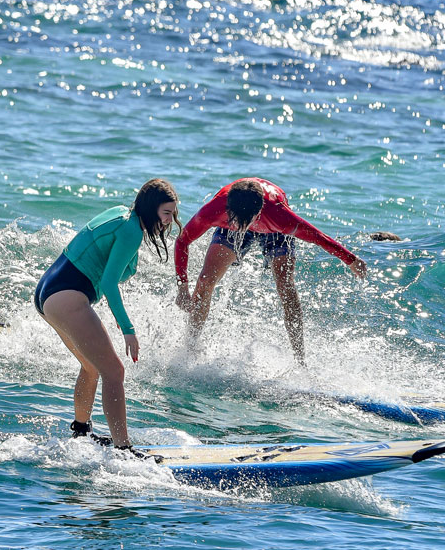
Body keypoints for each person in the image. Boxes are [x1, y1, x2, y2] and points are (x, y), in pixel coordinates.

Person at [33, 179, 180, 451]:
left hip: (48, 292)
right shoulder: (132, 231)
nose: (170, 221)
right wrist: (128, 329)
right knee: (115, 371)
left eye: (173, 214)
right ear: (150, 209)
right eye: (166, 213)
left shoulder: (121, 214)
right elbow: (110, 283)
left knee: (92, 366)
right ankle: (124, 449)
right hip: (67, 295)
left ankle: (81, 433)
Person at [173, 177, 366, 363]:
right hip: (232, 218)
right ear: (227, 209)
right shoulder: (215, 209)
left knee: (286, 286)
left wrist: (351, 260)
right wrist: (182, 287)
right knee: (205, 281)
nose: (240, 228)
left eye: (244, 224)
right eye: (235, 221)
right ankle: (190, 347)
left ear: (258, 215)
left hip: (274, 231)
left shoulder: (281, 217)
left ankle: (300, 360)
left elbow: (319, 237)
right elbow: (182, 241)